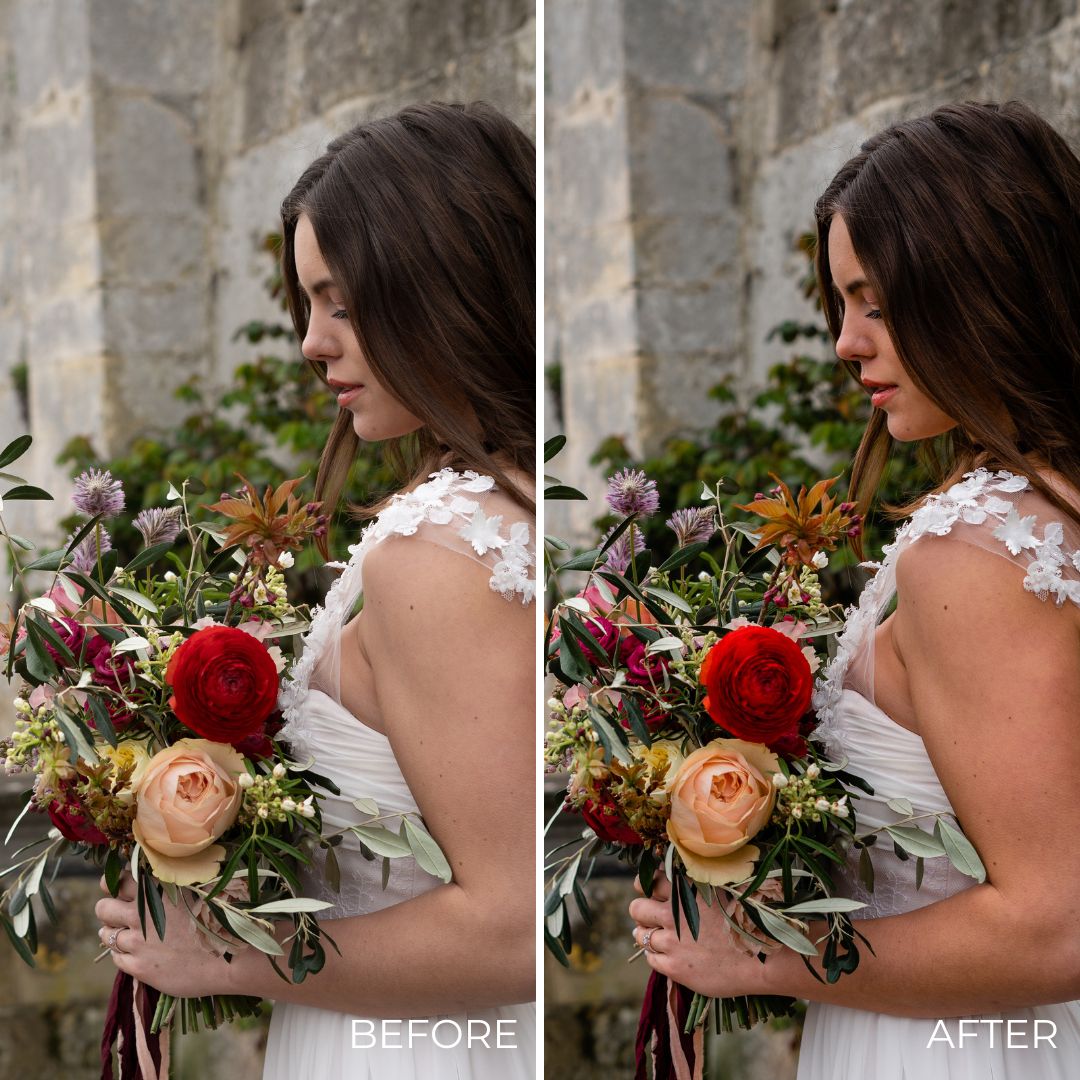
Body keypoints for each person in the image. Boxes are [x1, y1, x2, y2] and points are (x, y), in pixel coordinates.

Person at [629, 99, 1080, 1078]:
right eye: (842, 304)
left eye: (875, 302)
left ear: (979, 288)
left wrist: (765, 953)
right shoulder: (1042, 513)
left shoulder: (975, 555)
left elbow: (1056, 929)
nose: (845, 341)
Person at [95, 101, 537, 1078]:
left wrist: (223, 952)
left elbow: (511, 932)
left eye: (340, 302)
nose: (310, 341)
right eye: (307, 303)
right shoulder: (497, 514)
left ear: (443, 287)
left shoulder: (438, 550)